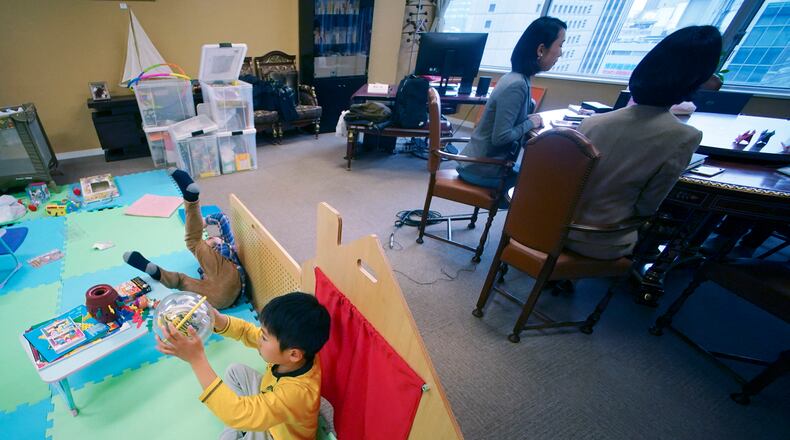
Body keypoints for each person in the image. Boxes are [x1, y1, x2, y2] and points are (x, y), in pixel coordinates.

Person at [565, 26, 723, 260]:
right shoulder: (683, 137)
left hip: (555, 226)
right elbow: (648, 206)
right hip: (603, 238)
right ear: (697, 81)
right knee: (663, 221)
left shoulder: (593, 122)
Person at [156, 292, 331, 440]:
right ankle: (240, 429)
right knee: (235, 371)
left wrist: (196, 359)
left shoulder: (297, 393)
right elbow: (248, 332)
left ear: (293, 354)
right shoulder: (300, 353)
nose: (258, 338)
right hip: (271, 403)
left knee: (239, 415)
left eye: (264, 337)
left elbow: (237, 412)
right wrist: (220, 321)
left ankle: (240, 429)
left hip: (275, 435)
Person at [456, 17, 566, 189]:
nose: (560, 53)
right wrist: (530, 122)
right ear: (541, 50)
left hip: (484, 163)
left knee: (542, 180)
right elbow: (501, 138)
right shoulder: (517, 84)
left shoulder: (517, 78)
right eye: (560, 45)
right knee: (544, 188)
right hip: (480, 166)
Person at [123, 169, 246, 309]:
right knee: (182, 278)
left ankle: (191, 199)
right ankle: (156, 272)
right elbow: (221, 220)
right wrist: (206, 226)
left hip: (220, 295)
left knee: (192, 246)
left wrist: (209, 232)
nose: (209, 241)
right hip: (218, 299)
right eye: (209, 241)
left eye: (210, 241)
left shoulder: (221, 251)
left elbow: (220, 221)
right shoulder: (220, 252)